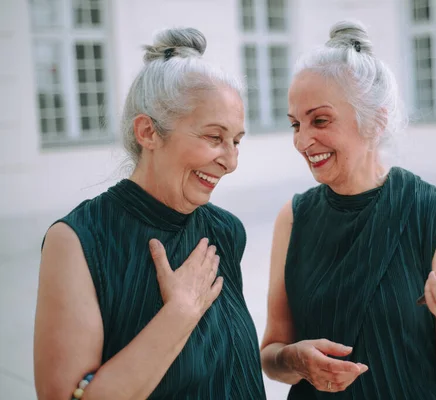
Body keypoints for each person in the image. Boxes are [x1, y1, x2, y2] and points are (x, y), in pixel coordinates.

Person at [260, 21, 436, 400]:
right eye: (295, 124)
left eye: (320, 120)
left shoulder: (433, 212)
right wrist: (294, 360)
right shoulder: (293, 218)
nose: (303, 141)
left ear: (376, 120)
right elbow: (271, 355)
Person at [33, 27, 266, 400]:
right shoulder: (76, 242)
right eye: (213, 137)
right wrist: (179, 315)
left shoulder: (226, 231)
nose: (231, 161)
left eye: (236, 141)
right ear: (148, 133)